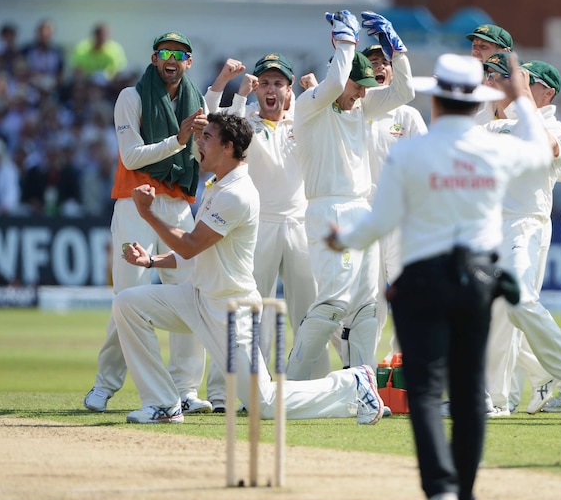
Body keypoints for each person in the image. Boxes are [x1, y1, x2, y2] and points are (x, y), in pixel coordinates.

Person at [325, 52, 552, 500]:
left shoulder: (411, 151)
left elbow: (381, 221)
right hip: (478, 279)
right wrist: (522, 96)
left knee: (426, 392)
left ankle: (442, 491)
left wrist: (341, 239)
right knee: (470, 393)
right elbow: (539, 148)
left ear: (438, 96)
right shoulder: (494, 147)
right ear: (477, 102)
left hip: (423, 278)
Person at [113, 111, 384, 425]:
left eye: (207, 138)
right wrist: (151, 261)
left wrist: (147, 214)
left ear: (228, 147)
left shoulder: (238, 194)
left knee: (263, 403)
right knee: (128, 304)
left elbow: (189, 245)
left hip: (231, 309)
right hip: (198, 297)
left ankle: (355, 383)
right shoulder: (217, 185)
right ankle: (163, 403)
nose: (198, 143)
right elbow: (197, 253)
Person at [83, 31, 210, 415]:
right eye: (165, 53)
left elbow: (203, 156)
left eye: (180, 54)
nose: (172, 59)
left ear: (188, 62)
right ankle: (105, 386)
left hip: (178, 206)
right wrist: (179, 137)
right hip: (137, 203)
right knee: (128, 298)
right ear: (154, 59)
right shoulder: (131, 97)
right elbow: (132, 155)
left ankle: (185, 388)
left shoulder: (197, 99)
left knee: (193, 294)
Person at [287, 10, 414, 379]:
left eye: (365, 85)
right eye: (357, 83)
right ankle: (290, 387)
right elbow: (334, 84)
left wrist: (396, 45)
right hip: (327, 209)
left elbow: (405, 91)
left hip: (362, 211)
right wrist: (345, 39)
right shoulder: (311, 106)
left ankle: (363, 386)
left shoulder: (361, 106)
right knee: (332, 303)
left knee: (366, 306)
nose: (362, 91)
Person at [203, 53, 328, 408]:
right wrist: (239, 93)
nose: (271, 90)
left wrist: (315, 90)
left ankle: (313, 388)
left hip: (300, 223)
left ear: (289, 90)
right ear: (257, 89)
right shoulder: (246, 122)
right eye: (265, 83)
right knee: (247, 310)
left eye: (278, 83)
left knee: (309, 309)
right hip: (259, 225)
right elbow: (213, 118)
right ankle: (232, 393)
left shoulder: (302, 121)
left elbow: (332, 116)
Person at [481, 53, 561, 417]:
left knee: (520, 300)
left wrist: (522, 101)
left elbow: (553, 155)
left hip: (524, 223)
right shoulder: (493, 124)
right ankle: (495, 399)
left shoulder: (554, 126)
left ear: (546, 91)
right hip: (489, 224)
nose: (510, 84)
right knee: (494, 314)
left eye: (523, 80)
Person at [362, 42, 427, 360]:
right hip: (364, 213)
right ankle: (366, 372)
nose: (378, 67)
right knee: (369, 300)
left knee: (407, 294)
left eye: (384, 61)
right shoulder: (355, 109)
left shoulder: (408, 114)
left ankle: (404, 367)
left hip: (401, 216)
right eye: (371, 61)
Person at [466, 23, 514, 124]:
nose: (475, 51)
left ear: (503, 52)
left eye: (483, 46)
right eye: (474, 45)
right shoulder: (467, 87)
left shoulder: (517, 91)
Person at [21, 19, 64, 85]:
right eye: (42, 34)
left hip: (51, 87)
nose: (44, 36)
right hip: (30, 87)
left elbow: (60, 73)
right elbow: (20, 70)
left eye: (47, 34)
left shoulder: (57, 52)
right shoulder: (27, 50)